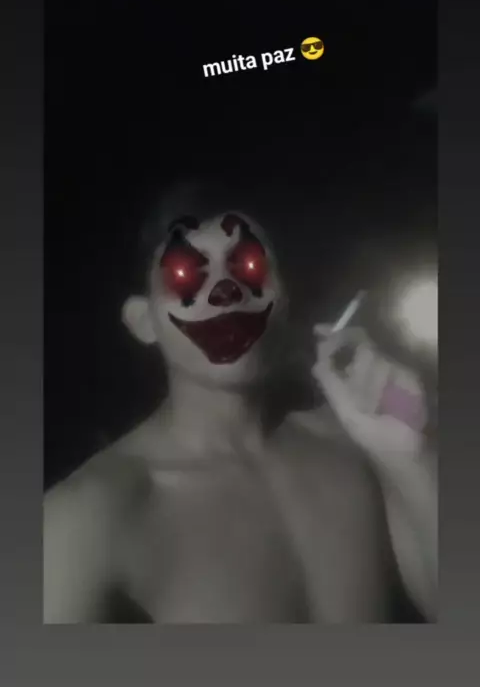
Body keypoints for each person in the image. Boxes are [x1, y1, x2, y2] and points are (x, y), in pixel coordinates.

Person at [43, 189, 437, 623]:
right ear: (143, 321)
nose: (227, 289)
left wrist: (409, 458)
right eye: (185, 273)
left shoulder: (355, 442)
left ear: (283, 296)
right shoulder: (85, 521)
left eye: (248, 264)